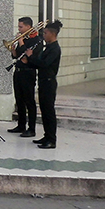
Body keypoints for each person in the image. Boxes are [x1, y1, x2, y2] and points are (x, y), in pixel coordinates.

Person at [26, 20, 63, 149]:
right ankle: (47, 136)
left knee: (49, 112)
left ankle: (52, 139)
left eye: (45, 33)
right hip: (43, 82)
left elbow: (45, 64)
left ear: (52, 34)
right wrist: (28, 61)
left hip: (49, 82)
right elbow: (38, 63)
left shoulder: (54, 49)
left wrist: (31, 57)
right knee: (44, 110)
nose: (44, 35)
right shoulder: (48, 47)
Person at [7, 17, 42, 138]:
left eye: (21, 27)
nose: (19, 29)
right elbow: (17, 56)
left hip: (28, 72)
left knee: (29, 101)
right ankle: (21, 125)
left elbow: (26, 57)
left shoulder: (36, 40)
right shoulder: (25, 38)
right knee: (19, 99)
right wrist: (13, 50)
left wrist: (21, 42)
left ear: (28, 27)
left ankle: (31, 128)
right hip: (18, 71)